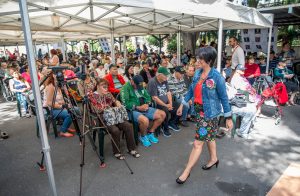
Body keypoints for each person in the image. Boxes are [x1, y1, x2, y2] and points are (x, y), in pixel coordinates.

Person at [176, 46, 233, 184]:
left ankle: (186, 171)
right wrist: (182, 105)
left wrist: (228, 117)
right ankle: (213, 159)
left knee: (197, 143)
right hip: (198, 112)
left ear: (209, 60)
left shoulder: (217, 77)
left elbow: (224, 98)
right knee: (209, 136)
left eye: (200, 58)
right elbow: (190, 91)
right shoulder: (197, 73)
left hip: (209, 115)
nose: (197, 61)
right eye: (198, 58)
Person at [89, 78, 140, 159]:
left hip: (113, 115)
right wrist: (106, 107)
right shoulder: (92, 96)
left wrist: (118, 103)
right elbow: (95, 110)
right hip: (102, 118)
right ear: (98, 86)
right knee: (115, 130)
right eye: (104, 86)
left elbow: (115, 101)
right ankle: (117, 152)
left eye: (106, 87)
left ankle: (131, 149)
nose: (106, 88)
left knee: (128, 126)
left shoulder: (108, 94)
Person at [120, 75, 166, 147]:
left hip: (143, 107)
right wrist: (138, 107)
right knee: (145, 120)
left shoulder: (140, 85)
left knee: (162, 114)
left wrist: (147, 104)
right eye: (136, 86)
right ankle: (143, 136)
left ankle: (151, 132)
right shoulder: (125, 88)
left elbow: (148, 96)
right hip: (131, 111)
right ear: (132, 82)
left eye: (140, 86)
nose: (138, 88)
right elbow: (125, 104)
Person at [147, 67, 180, 137]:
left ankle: (171, 122)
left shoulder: (164, 80)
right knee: (165, 110)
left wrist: (170, 103)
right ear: (159, 75)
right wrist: (166, 105)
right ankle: (165, 128)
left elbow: (168, 92)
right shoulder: (152, 82)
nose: (167, 77)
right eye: (165, 75)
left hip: (166, 102)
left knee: (178, 105)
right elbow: (154, 98)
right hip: (157, 104)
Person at [43, 73, 76, 137]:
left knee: (76, 110)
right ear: (53, 75)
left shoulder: (58, 85)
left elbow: (62, 99)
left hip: (59, 107)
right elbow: (49, 103)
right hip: (50, 109)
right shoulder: (50, 87)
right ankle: (63, 131)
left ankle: (66, 126)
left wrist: (66, 104)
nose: (61, 76)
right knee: (69, 113)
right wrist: (62, 106)